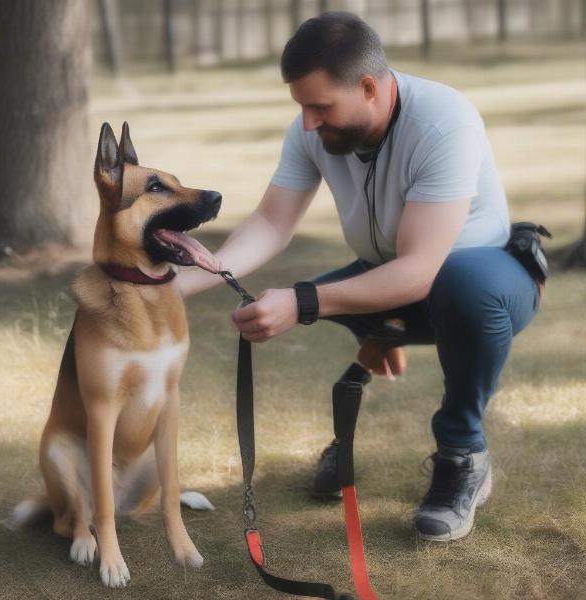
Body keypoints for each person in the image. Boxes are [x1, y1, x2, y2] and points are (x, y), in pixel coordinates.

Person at [177, 11, 540, 542]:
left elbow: (419, 271)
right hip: (396, 277)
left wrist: (304, 302)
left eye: (320, 107)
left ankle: (463, 453)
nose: (307, 123)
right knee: (339, 288)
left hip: (488, 282)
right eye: (301, 106)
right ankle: (381, 333)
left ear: (370, 86)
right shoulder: (313, 129)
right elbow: (273, 222)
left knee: (456, 285)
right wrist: (184, 283)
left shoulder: (444, 121)